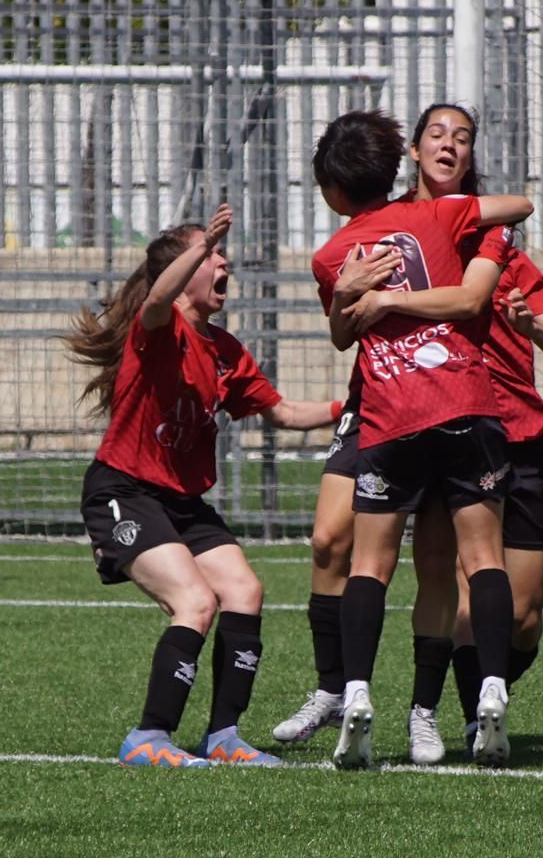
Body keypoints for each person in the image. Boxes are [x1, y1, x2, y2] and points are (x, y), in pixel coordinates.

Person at [66, 206, 340, 768]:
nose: (224, 261)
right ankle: (148, 738)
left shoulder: (224, 349)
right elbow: (158, 299)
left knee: (245, 591)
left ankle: (223, 738)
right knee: (194, 602)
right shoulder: (159, 329)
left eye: (219, 254)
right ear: (183, 268)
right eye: (213, 255)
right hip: (124, 489)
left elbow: (284, 412)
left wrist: (350, 407)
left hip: (182, 500)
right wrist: (198, 243)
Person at [312, 108, 532, 769]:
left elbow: (346, 333)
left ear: (333, 191)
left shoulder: (333, 254)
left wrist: (352, 296)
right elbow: (517, 203)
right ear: (402, 160)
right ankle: (492, 690)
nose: (448, 147)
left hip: (392, 416)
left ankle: (356, 695)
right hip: (466, 402)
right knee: (483, 558)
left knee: (370, 564)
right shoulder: (444, 217)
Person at [397, 106, 543, 758]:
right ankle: (467, 717)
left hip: (524, 436)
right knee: (465, 588)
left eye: (464, 137)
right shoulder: (405, 246)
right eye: (438, 135)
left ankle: (487, 691)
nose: (450, 145)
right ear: (414, 149)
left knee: (523, 614)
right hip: (454, 431)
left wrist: (529, 322)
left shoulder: (503, 249)